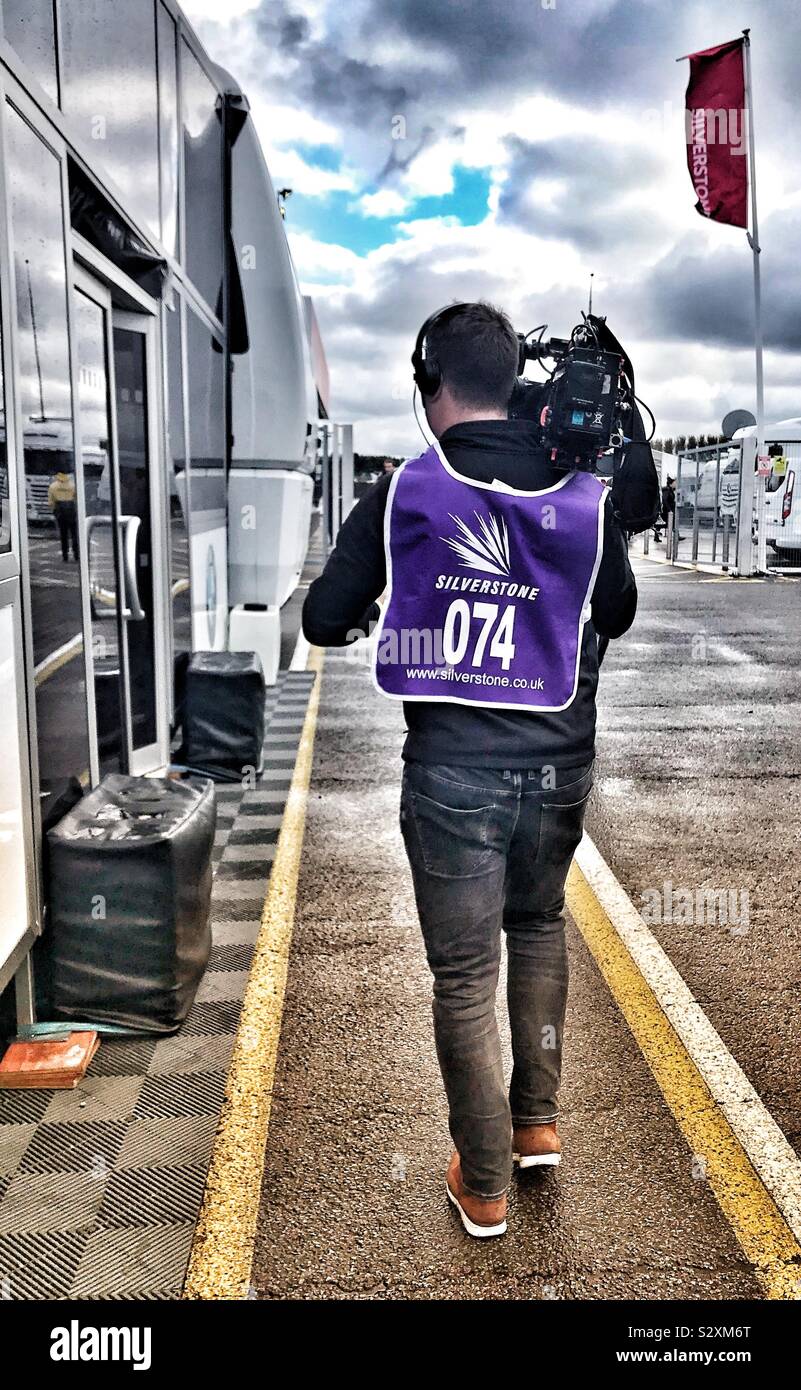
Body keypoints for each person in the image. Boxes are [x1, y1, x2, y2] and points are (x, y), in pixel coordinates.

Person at [302, 301, 637, 1239]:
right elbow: (615, 611)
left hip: (452, 772)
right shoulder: (579, 488)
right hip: (558, 766)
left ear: (429, 381)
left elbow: (322, 617)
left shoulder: (407, 489)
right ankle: (536, 1127)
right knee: (537, 928)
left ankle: (483, 1182)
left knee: (462, 975)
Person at [48, 471, 79, 562]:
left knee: (63, 534)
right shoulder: (72, 485)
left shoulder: (53, 486)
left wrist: (54, 511)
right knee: (74, 533)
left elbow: (51, 502)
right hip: (71, 510)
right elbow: (76, 498)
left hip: (60, 510)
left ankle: (65, 556)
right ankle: (76, 554)